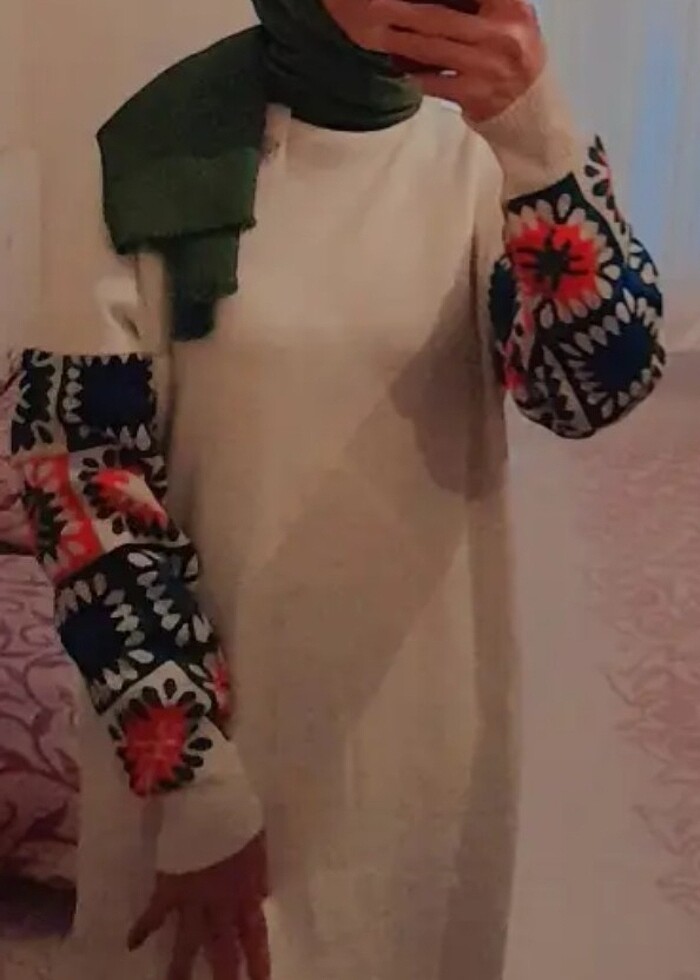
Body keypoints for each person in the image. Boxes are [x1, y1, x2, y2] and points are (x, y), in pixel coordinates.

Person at [4, 0, 664, 977]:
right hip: (204, 754)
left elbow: (590, 387)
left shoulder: (489, 153)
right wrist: (196, 791)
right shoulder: (143, 157)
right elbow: (82, 493)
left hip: (420, 739)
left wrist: (538, 139)